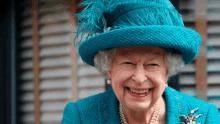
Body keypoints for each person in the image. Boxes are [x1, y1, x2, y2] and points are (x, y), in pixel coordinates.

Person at [61, 0, 220, 123]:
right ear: (109, 68)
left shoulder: (204, 117)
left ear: (167, 71)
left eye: (152, 65)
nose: (139, 78)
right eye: (127, 63)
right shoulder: (80, 117)